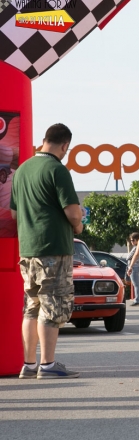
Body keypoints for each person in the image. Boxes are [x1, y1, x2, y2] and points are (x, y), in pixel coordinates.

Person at [10, 123, 82, 379]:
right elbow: (73, 213)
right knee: (52, 306)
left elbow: (14, 214)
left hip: (27, 250)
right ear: (65, 145)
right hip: (53, 248)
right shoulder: (57, 170)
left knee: (32, 306)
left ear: (44, 140)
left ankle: (29, 364)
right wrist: (78, 225)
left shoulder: (22, 170)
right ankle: (48, 365)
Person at [126, 232, 139, 306]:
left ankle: (137, 300)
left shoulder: (136, 247)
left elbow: (128, 257)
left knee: (136, 284)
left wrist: (130, 266)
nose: (131, 242)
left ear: (137, 240)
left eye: (132, 240)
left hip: (134, 266)